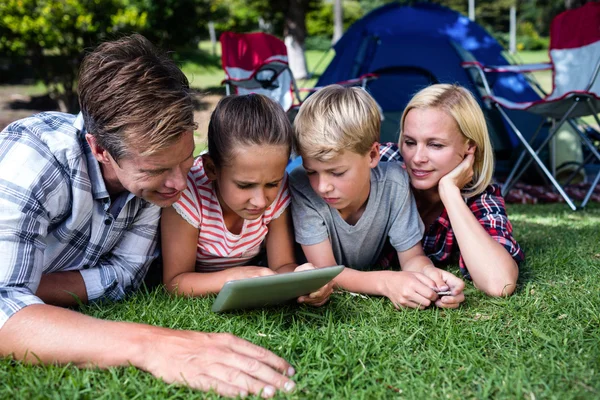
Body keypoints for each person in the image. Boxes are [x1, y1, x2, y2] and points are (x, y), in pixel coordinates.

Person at [0, 34, 296, 398]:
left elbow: (126, 273)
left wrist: (31, 288)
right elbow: (4, 308)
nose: (179, 184)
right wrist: (151, 344)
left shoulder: (156, 185)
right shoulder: (34, 161)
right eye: (156, 169)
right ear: (100, 150)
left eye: (186, 157)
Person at [289, 84, 466, 310]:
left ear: (373, 155)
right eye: (312, 171)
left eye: (337, 172)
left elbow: (411, 258)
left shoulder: (395, 184)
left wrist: (431, 278)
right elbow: (325, 272)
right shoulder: (302, 187)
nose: (323, 186)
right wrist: (385, 282)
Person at [161, 94, 329, 305]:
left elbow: (282, 265)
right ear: (211, 169)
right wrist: (232, 278)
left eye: (272, 184)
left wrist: (302, 279)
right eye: (245, 185)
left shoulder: (278, 188)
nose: (260, 201)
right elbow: (175, 282)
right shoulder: (189, 195)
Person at [379, 83, 525, 297]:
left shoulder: (479, 196)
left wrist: (450, 192)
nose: (417, 158)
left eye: (435, 145)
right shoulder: (384, 164)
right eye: (410, 142)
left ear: (469, 147)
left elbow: (499, 283)